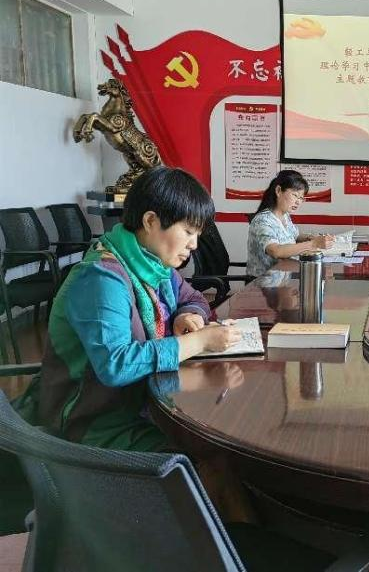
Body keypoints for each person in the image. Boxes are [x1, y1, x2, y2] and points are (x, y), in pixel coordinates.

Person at [38, 167, 243, 451]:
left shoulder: (156, 266)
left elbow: (193, 297)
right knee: (210, 451)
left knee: (218, 437)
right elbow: (116, 365)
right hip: (93, 424)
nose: (194, 244)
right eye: (188, 231)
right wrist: (198, 341)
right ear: (150, 221)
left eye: (197, 234)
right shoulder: (101, 278)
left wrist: (187, 315)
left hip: (142, 402)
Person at [247, 169, 334, 276]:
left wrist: (313, 238)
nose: (298, 202)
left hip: (284, 276)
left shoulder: (284, 216)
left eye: (301, 198)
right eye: (295, 195)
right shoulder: (263, 220)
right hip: (263, 282)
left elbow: (295, 236)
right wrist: (314, 244)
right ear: (278, 191)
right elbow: (276, 251)